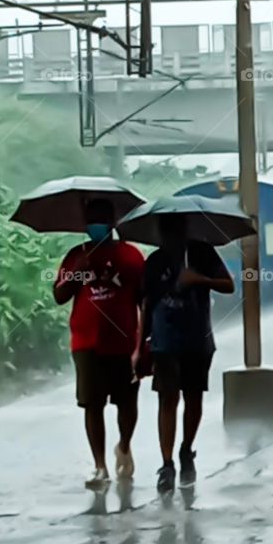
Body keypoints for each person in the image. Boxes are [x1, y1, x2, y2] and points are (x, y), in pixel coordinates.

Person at [53, 198, 145, 490]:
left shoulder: (131, 256)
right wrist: (78, 271)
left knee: (127, 403)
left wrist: (143, 343)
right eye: (91, 219)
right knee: (92, 404)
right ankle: (100, 466)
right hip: (86, 341)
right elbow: (60, 295)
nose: (96, 225)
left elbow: (144, 298)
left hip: (123, 340)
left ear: (113, 222)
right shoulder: (75, 255)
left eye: (101, 219)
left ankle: (125, 445)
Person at [142, 215, 234, 492]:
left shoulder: (202, 253)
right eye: (165, 231)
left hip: (198, 339)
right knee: (167, 399)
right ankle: (167, 463)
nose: (169, 236)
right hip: (165, 341)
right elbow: (147, 303)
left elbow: (228, 285)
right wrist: (143, 343)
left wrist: (199, 279)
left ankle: (186, 449)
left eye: (174, 229)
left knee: (194, 397)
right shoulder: (155, 262)